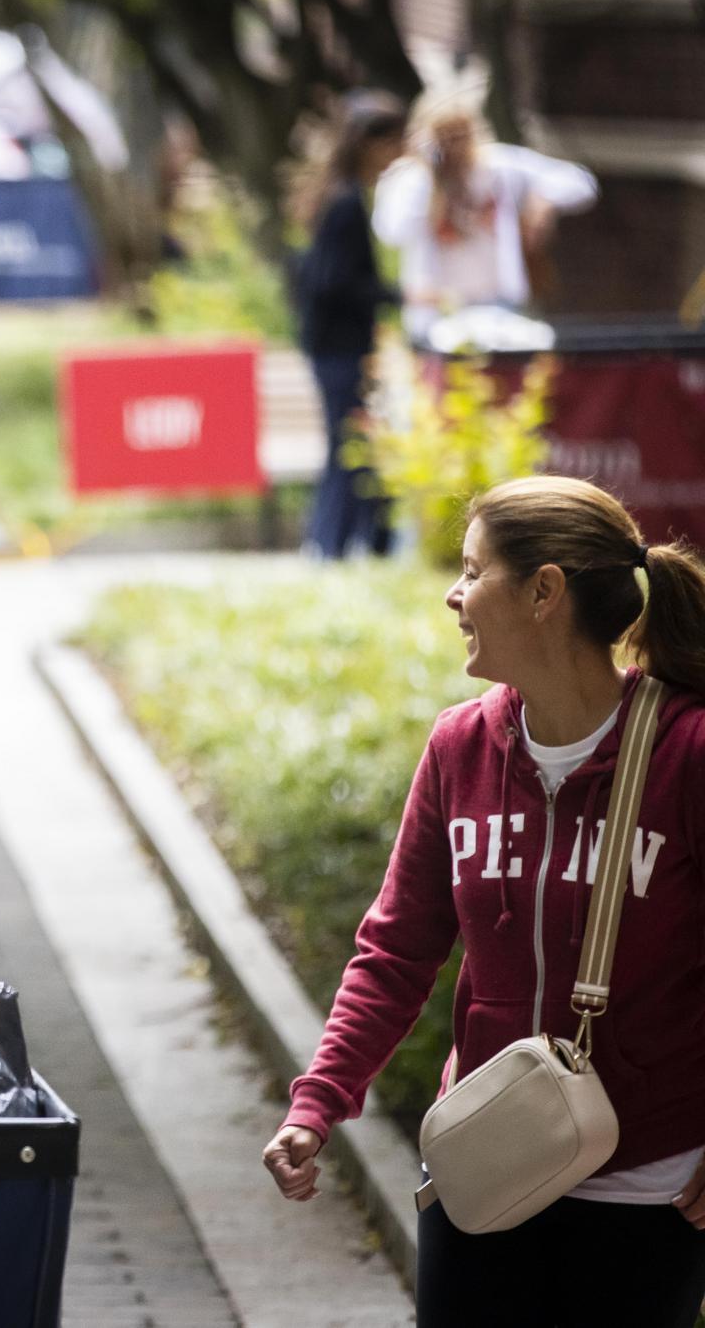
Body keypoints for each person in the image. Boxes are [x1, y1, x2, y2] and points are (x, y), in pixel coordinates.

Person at [262, 475, 705, 1324]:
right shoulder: (459, 746)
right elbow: (395, 951)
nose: (452, 593)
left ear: (545, 592)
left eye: (473, 570)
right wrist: (318, 1102)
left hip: (650, 1186)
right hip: (486, 1163)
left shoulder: (686, 752)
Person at [372, 101, 598, 341]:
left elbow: (581, 183)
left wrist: (543, 200)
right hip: (437, 311)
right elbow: (392, 231)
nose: (453, 147)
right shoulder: (413, 180)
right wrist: (429, 176)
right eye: (443, 138)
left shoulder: (498, 166)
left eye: (459, 136)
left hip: (498, 305)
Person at [295, 91, 408, 560]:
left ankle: (341, 543)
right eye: (393, 144)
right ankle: (329, 547)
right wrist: (396, 295)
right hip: (338, 347)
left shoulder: (341, 196)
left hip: (334, 344)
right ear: (370, 144)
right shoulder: (345, 203)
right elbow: (335, 282)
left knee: (351, 445)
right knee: (348, 447)